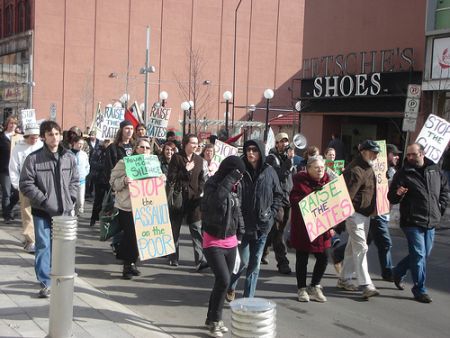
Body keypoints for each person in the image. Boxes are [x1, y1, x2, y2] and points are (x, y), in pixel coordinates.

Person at [19, 120, 79, 298]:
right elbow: (26, 183)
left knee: (61, 247)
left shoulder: (69, 157)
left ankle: (60, 278)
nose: (54, 137)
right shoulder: (34, 158)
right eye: (50, 134)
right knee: (44, 246)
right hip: (43, 211)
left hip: (64, 212)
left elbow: (75, 181)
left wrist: (71, 199)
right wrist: (44, 200)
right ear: (44, 137)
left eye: (57, 134)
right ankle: (46, 282)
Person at [388, 143, 449, 303]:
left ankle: (398, 271)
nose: (409, 157)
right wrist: (398, 194)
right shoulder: (403, 173)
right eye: (408, 155)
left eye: (412, 154)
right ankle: (419, 289)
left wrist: (440, 208)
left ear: (422, 154)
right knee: (419, 254)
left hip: (431, 220)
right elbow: (392, 197)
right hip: (411, 221)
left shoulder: (435, 170)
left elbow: (444, 190)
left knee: (423, 254)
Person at [226, 140, 282, 300]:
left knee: (255, 264)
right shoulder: (239, 170)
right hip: (242, 226)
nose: (250, 153)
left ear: (261, 152)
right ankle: (230, 285)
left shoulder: (269, 171)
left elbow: (278, 194)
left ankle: (248, 299)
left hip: (262, 226)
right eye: (248, 150)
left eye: (254, 150)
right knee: (242, 262)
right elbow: (229, 191)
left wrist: (270, 214)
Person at [201, 156, 246, 337]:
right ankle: (215, 321)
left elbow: (237, 209)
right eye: (239, 173)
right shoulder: (212, 183)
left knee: (222, 284)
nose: (241, 178)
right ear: (230, 171)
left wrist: (241, 231)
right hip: (213, 240)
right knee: (224, 280)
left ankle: (211, 318)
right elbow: (213, 204)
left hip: (231, 240)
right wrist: (229, 180)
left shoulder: (237, 185)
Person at [338, 140, 380, 299]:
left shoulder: (368, 167)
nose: (375, 155)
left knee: (352, 248)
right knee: (361, 247)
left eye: (377, 153)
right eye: (372, 152)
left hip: (365, 214)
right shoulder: (355, 170)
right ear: (363, 152)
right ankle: (366, 284)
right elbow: (346, 196)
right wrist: (344, 217)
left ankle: (344, 278)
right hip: (354, 214)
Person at [110, 138, 154, 279]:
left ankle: (132, 262)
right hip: (127, 206)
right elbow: (112, 182)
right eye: (142, 147)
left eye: (147, 148)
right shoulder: (125, 163)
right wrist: (123, 180)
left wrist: (162, 179)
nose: (145, 150)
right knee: (131, 235)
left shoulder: (153, 165)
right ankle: (127, 266)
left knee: (139, 237)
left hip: (145, 206)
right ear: (135, 148)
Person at [290, 156, 332, 302]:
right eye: (316, 167)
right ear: (308, 169)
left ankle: (314, 285)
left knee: (324, 256)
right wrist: (313, 196)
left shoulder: (328, 182)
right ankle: (301, 288)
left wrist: (333, 225)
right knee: (302, 258)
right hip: (305, 228)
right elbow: (295, 201)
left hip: (323, 228)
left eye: (322, 167)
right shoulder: (299, 182)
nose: (320, 170)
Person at [167, 133, 207, 269]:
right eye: (192, 143)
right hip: (178, 199)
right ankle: (173, 257)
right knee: (175, 230)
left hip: (194, 200)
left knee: (196, 229)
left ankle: (200, 260)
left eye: (197, 143)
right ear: (185, 144)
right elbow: (171, 177)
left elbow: (202, 178)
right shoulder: (177, 158)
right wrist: (185, 170)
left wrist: (201, 190)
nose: (195, 145)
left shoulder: (199, 160)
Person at [367, 143, 401, 282]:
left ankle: (339, 254)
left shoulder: (392, 171)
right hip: (377, 212)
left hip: (384, 212)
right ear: (387, 155)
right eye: (395, 154)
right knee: (385, 242)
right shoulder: (376, 169)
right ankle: (387, 272)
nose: (397, 157)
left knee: (366, 239)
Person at [263, 132, 294, 274]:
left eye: (286, 141)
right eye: (281, 141)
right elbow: (279, 175)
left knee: (276, 230)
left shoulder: (289, 159)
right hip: (276, 200)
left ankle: (263, 251)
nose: (284, 144)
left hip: (288, 198)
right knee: (279, 232)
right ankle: (283, 262)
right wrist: (288, 162)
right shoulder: (271, 158)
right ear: (276, 143)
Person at [9, 124, 43, 253]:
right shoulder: (19, 148)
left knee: (40, 213)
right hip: (25, 185)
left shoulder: (41, 147)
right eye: (32, 137)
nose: (34, 140)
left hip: (40, 185)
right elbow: (13, 167)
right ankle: (31, 240)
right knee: (27, 213)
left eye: (36, 137)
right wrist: (17, 185)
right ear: (26, 136)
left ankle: (38, 237)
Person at [0, 116, 19, 223]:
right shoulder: (2, 137)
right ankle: (7, 216)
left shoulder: (19, 137)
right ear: (7, 124)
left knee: (17, 193)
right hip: (4, 169)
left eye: (15, 123)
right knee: (6, 193)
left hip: (16, 169)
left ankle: (8, 209)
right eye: (11, 123)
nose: (13, 125)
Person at [89, 139, 111, 227]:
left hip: (110, 180)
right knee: (98, 200)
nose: (108, 144)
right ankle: (93, 218)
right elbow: (92, 163)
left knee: (110, 202)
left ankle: (107, 221)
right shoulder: (98, 151)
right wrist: (104, 166)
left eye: (109, 142)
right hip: (100, 179)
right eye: (106, 141)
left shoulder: (112, 150)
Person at [70, 135, 90, 215]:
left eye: (82, 144)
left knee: (80, 201)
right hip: (71, 182)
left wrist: (85, 174)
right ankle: (71, 215)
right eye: (79, 143)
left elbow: (87, 166)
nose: (81, 145)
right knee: (72, 200)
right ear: (74, 143)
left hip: (81, 181)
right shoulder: (68, 154)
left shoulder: (84, 154)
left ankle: (78, 211)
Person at [86, 130, 100, 198]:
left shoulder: (99, 142)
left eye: (93, 135)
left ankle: (92, 192)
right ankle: (88, 192)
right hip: (88, 162)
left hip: (96, 163)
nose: (91, 136)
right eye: (90, 135)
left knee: (94, 178)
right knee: (88, 178)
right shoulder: (87, 142)